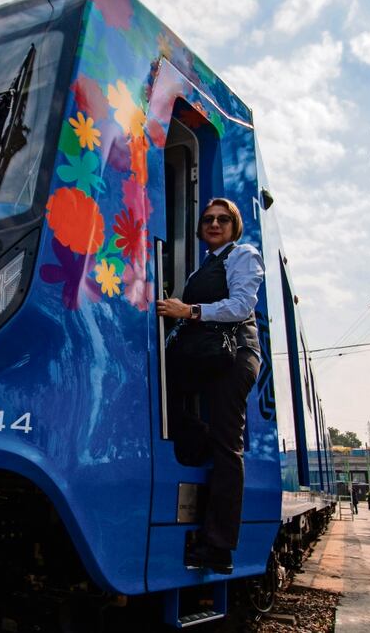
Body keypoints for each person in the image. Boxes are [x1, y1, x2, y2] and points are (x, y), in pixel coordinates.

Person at [156, 197, 264, 575]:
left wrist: (189, 310)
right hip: (205, 356)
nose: (214, 224)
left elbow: (241, 306)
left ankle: (219, 548)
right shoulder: (200, 269)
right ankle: (201, 441)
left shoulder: (244, 255)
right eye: (208, 219)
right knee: (160, 401)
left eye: (222, 219)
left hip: (235, 357)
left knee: (227, 444)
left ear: (234, 226)